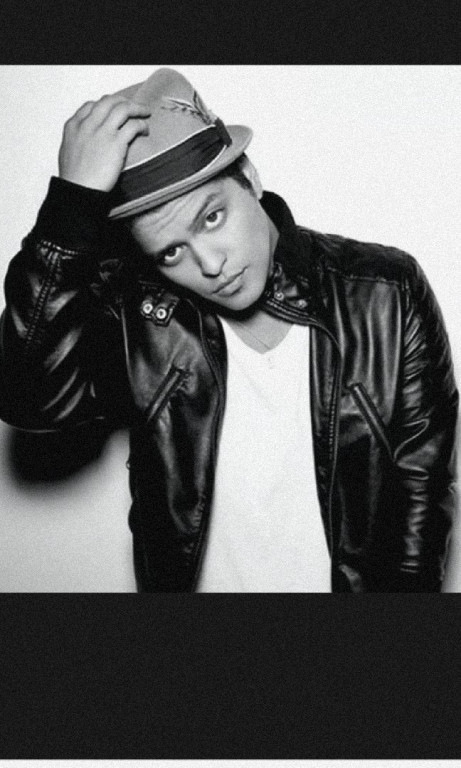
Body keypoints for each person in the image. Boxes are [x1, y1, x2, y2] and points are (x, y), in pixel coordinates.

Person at [0, 68, 458, 592]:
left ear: (250, 178)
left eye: (212, 217)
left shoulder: (384, 292)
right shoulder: (143, 316)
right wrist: (68, 214)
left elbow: (421, 490)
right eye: (172, 252)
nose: (211, 265)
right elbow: (30, 400)